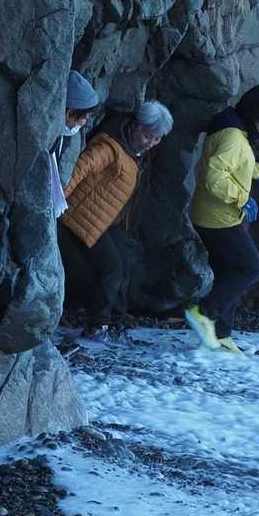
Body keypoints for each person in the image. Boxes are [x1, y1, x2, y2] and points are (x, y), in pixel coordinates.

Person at [59, 100, 173, 338]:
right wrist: (58, 202)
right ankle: (98, 324)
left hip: (101, 219)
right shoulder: (110, 146)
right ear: (136, 126)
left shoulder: (133, 148)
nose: (151, 143)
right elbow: (82, 167)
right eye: (148, 136)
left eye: (157, 139)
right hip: (81, 218)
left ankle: (116, 315)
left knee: (125, 258)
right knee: (111, 268)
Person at [186, 85, 259, 353]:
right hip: (218, 218)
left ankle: (221, 334)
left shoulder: (234, 129)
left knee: (228, 271)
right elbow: (214, 176)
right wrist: (242, 198)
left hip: (213, 214)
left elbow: (236, 160)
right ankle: (204, 313)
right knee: (249, 267)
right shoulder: (233, 136)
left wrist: (255, 170)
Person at [49, 70, 99, 218]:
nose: (85, 123)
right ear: (69, 114)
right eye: (84, 118)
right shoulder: (50, 138)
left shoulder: (59, 135)